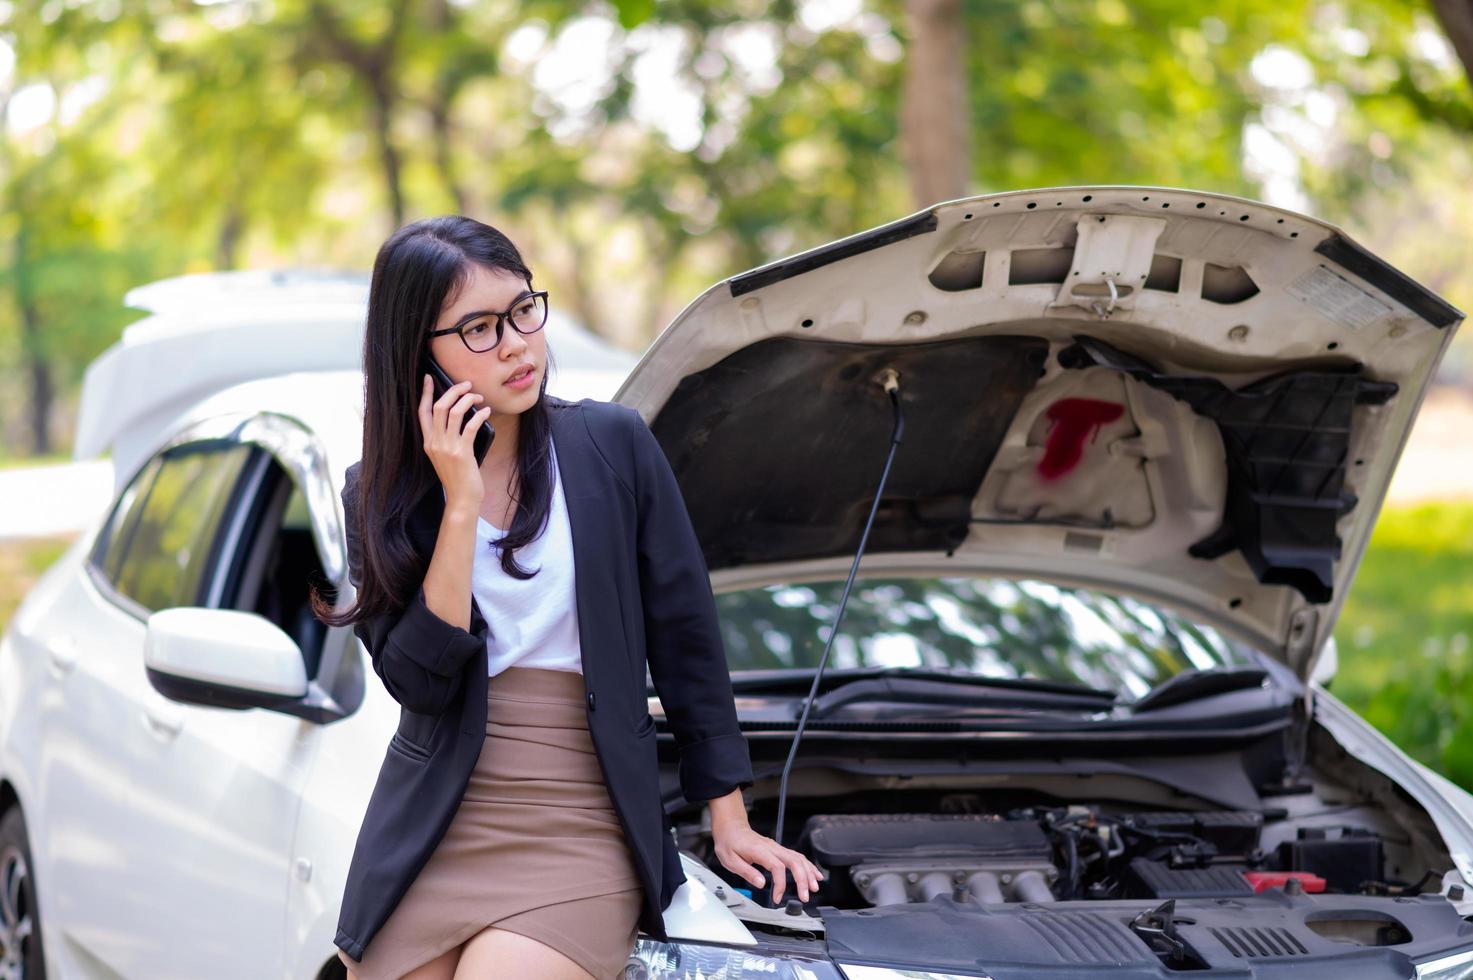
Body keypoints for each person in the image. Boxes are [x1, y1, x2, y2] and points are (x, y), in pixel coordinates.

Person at [310, 215, 822, 980]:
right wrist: (458, 503)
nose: (517, 343)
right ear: (420, 353)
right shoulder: (377, 495)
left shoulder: (612, 446)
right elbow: (417, 682)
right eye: (479, 329)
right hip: (436, 815)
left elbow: (686, 637)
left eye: (522, 311)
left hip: (582, 809)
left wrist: (728, 817)